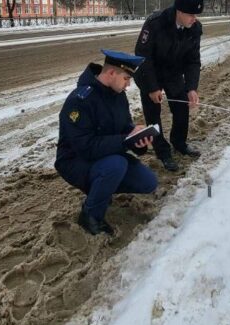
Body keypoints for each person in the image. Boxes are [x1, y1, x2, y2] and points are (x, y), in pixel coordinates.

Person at [55, 49, 158, 236]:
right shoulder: (80, 100)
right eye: (126, 78)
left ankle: (102, 189)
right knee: (116, 165)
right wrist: (125, 140)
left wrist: (138, 140)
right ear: (111, 73)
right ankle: (90, 215)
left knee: (148, 182)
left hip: (105, 155)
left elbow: (125, 128)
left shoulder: (117, 95)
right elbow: (85, 147)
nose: (128, 85)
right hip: (74, 160)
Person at [134, 0, 203, 172]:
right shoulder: (155, 23)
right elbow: (142, 56)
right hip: (149, 72)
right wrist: (152, 87)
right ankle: (162, 150)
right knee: (153, 115)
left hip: (173, 73)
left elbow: (193, 60)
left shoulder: (195, 28)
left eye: (196, 15)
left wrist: (191, 88)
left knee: (181, 108)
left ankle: (179, 142)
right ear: (179, 11)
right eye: (190, 14)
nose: (194, 19)